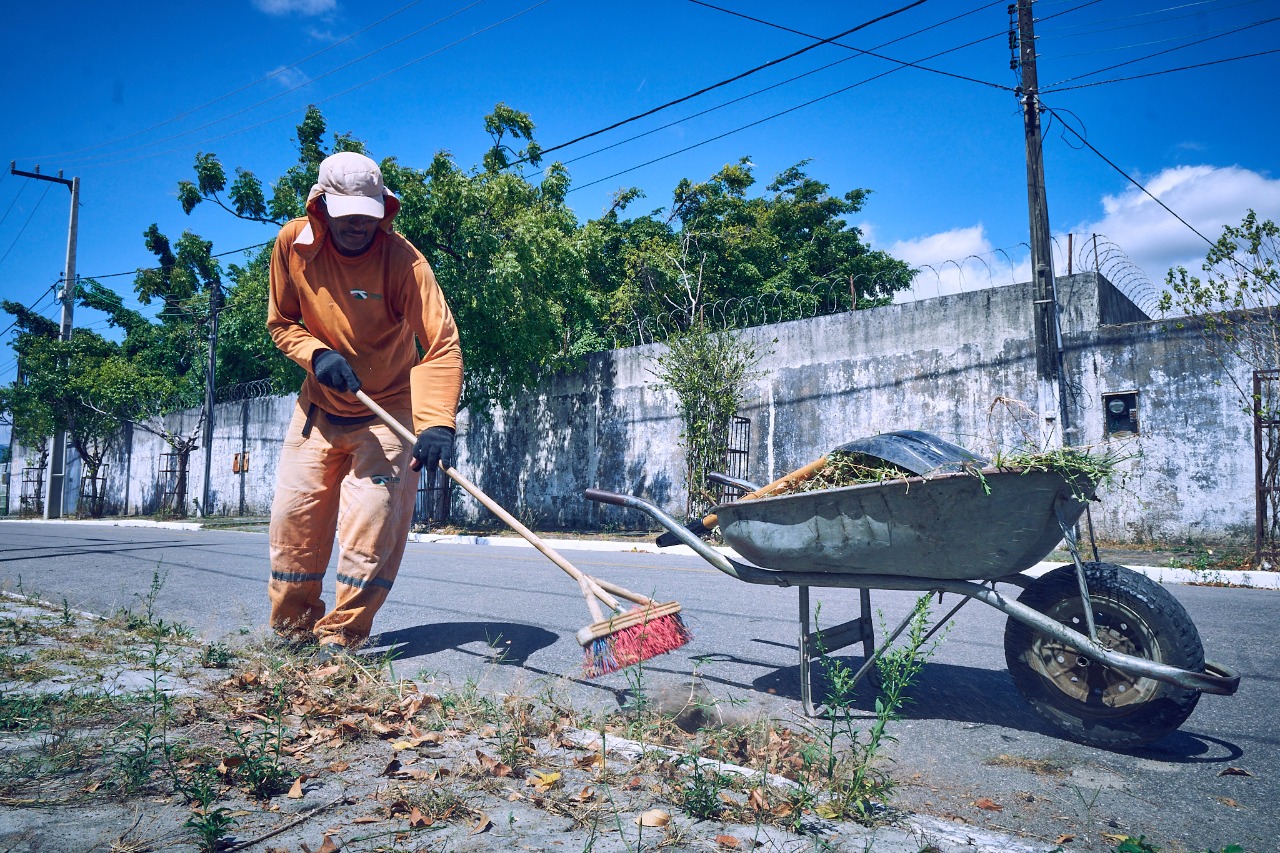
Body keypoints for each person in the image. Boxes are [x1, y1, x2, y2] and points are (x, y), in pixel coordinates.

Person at [265, 150, 463, 653]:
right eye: (346, 212)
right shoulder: (293, 244)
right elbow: (282, 322)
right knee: (295, 522)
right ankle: (291, 636)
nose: (358, 224)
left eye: (368, 214)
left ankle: (341, 640)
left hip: (388, 413)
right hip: (317, 412)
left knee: (370, 529)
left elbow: (440, 342)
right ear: (320, 206)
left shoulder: (403, 261)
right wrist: (315, 354)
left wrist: (437, 423)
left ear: (384, 208)